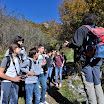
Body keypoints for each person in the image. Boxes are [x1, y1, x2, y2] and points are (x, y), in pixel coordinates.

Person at [63, 13, 104, 104]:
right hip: (97, 60)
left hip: (86, 61)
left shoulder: (81, 29)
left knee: (89, 84)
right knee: (97, 84)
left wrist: (68, 44)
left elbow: (77, 44)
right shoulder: (97, 29)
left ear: (84, 21)